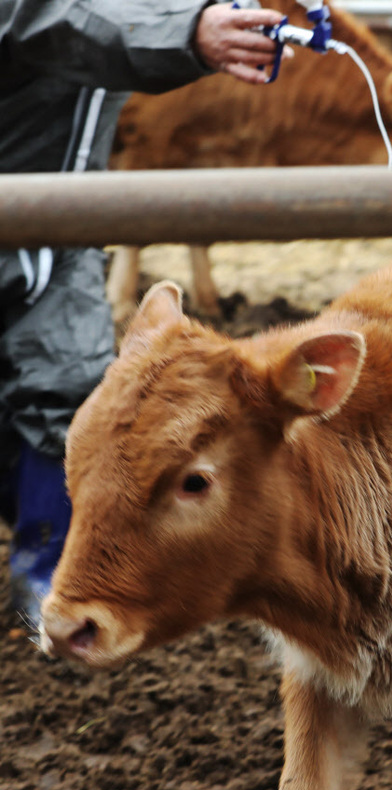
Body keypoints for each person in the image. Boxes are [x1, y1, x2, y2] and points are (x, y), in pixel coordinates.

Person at [0, 0, 288, 624]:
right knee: (57, 382)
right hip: (27, 212)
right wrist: (188, 32)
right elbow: (52, 16)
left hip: (56, 214)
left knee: (64, 376)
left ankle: (50, 572)